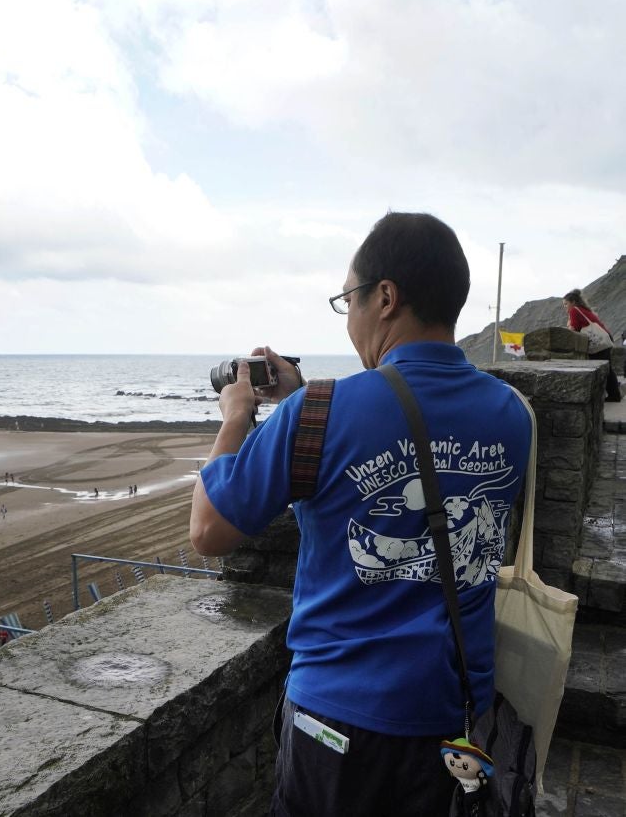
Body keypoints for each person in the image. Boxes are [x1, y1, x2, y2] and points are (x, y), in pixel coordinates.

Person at [189, 213, 531, 817]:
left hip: (339, 723)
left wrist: (235, 418)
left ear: (386, 297)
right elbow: (405, 419)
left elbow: (209, 530)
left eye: (348, 299)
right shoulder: (512, 414)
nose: (348, 318)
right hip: (456, 721)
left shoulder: (322, 412)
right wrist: (306, 398)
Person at [563, 288, 621, 402]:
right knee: (607, 368)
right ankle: (614, 394)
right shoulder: (584, 309)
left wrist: (568, 325)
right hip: (604, 339)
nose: (564, 307)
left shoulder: (574, 310)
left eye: (566, 304)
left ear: (573, 302)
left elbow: (574, 329)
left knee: (604, 369)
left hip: (598, 342)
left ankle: (614, 395)